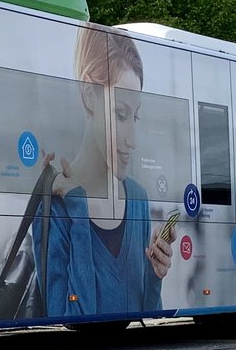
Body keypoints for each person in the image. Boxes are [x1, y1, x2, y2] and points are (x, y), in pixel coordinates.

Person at [45, 26, 175, 315]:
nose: (133, 140)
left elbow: (146, 314)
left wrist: (155, 275)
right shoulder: (56, 205)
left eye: (135, 117)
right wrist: (78, 214)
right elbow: (70, 318)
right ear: (89, 97)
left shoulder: (137, 198)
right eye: (120, 114)